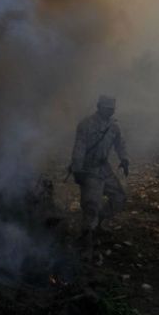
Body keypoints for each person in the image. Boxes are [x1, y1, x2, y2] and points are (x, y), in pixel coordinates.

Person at [69, 95, 129, 259]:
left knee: (119, 198)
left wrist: (124, 160)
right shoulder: (85, 125)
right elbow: (79, 149)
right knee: (91, 208)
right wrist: (77, 170)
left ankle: (99, 223)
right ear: (98, 107)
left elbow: (120, 144)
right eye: (107, 108)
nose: (110, 111)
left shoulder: (114, 126)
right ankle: (86, 245)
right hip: (89, 170)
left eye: (112, 109)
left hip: (104, 168)